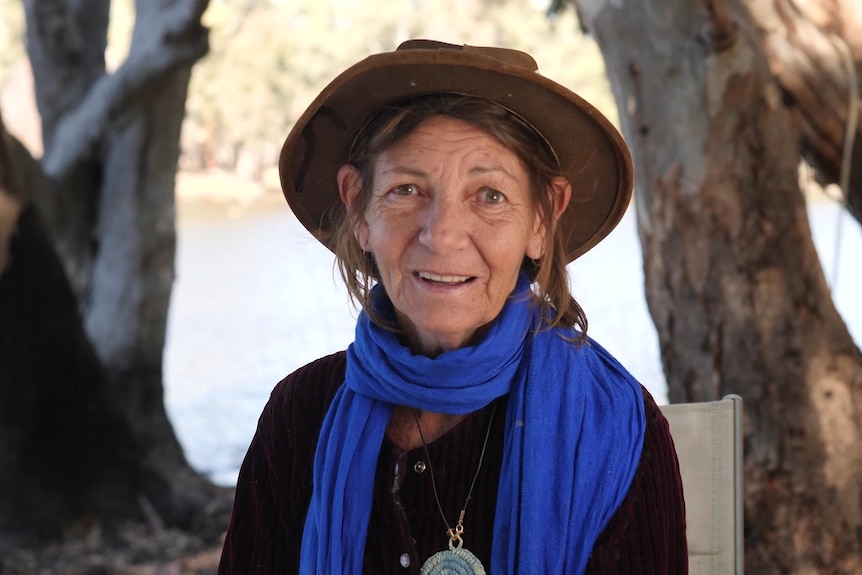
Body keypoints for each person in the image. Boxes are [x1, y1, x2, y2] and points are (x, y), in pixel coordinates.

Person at [218, 39, 687, 574]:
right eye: (407, 189)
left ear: (541, 219)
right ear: (358, 208)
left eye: (489, 195)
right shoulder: (300, 414)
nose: (442, 237)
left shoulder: (614, 427)